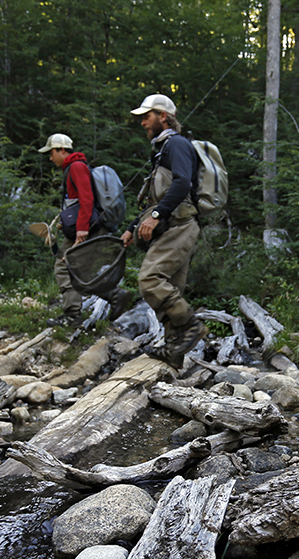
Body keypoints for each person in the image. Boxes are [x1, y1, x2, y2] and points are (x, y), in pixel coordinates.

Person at [121, 94, 207, 368]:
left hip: (180, 226)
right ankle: (173, 355)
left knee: (150, 280)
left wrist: (157, 215)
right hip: (176, 225)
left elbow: (181, 184)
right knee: (173, 290)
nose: (143, 122)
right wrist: (132, 227)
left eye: (147, 116)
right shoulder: (161, 149)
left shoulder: (177, 144)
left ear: (163, 116)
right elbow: (154, 198)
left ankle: (192, 326)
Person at [37, 133, 130, 327]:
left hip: (88, 228)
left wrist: (81, 230)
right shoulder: (75, 167)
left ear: (62, 150)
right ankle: (111, 297)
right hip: (88, 226)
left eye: (52, 152)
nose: (50, 157)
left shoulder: (77, 167)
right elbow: (78, 203)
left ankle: (75, 315)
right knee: (78, 271)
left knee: (65, 267)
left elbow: (87, 199)